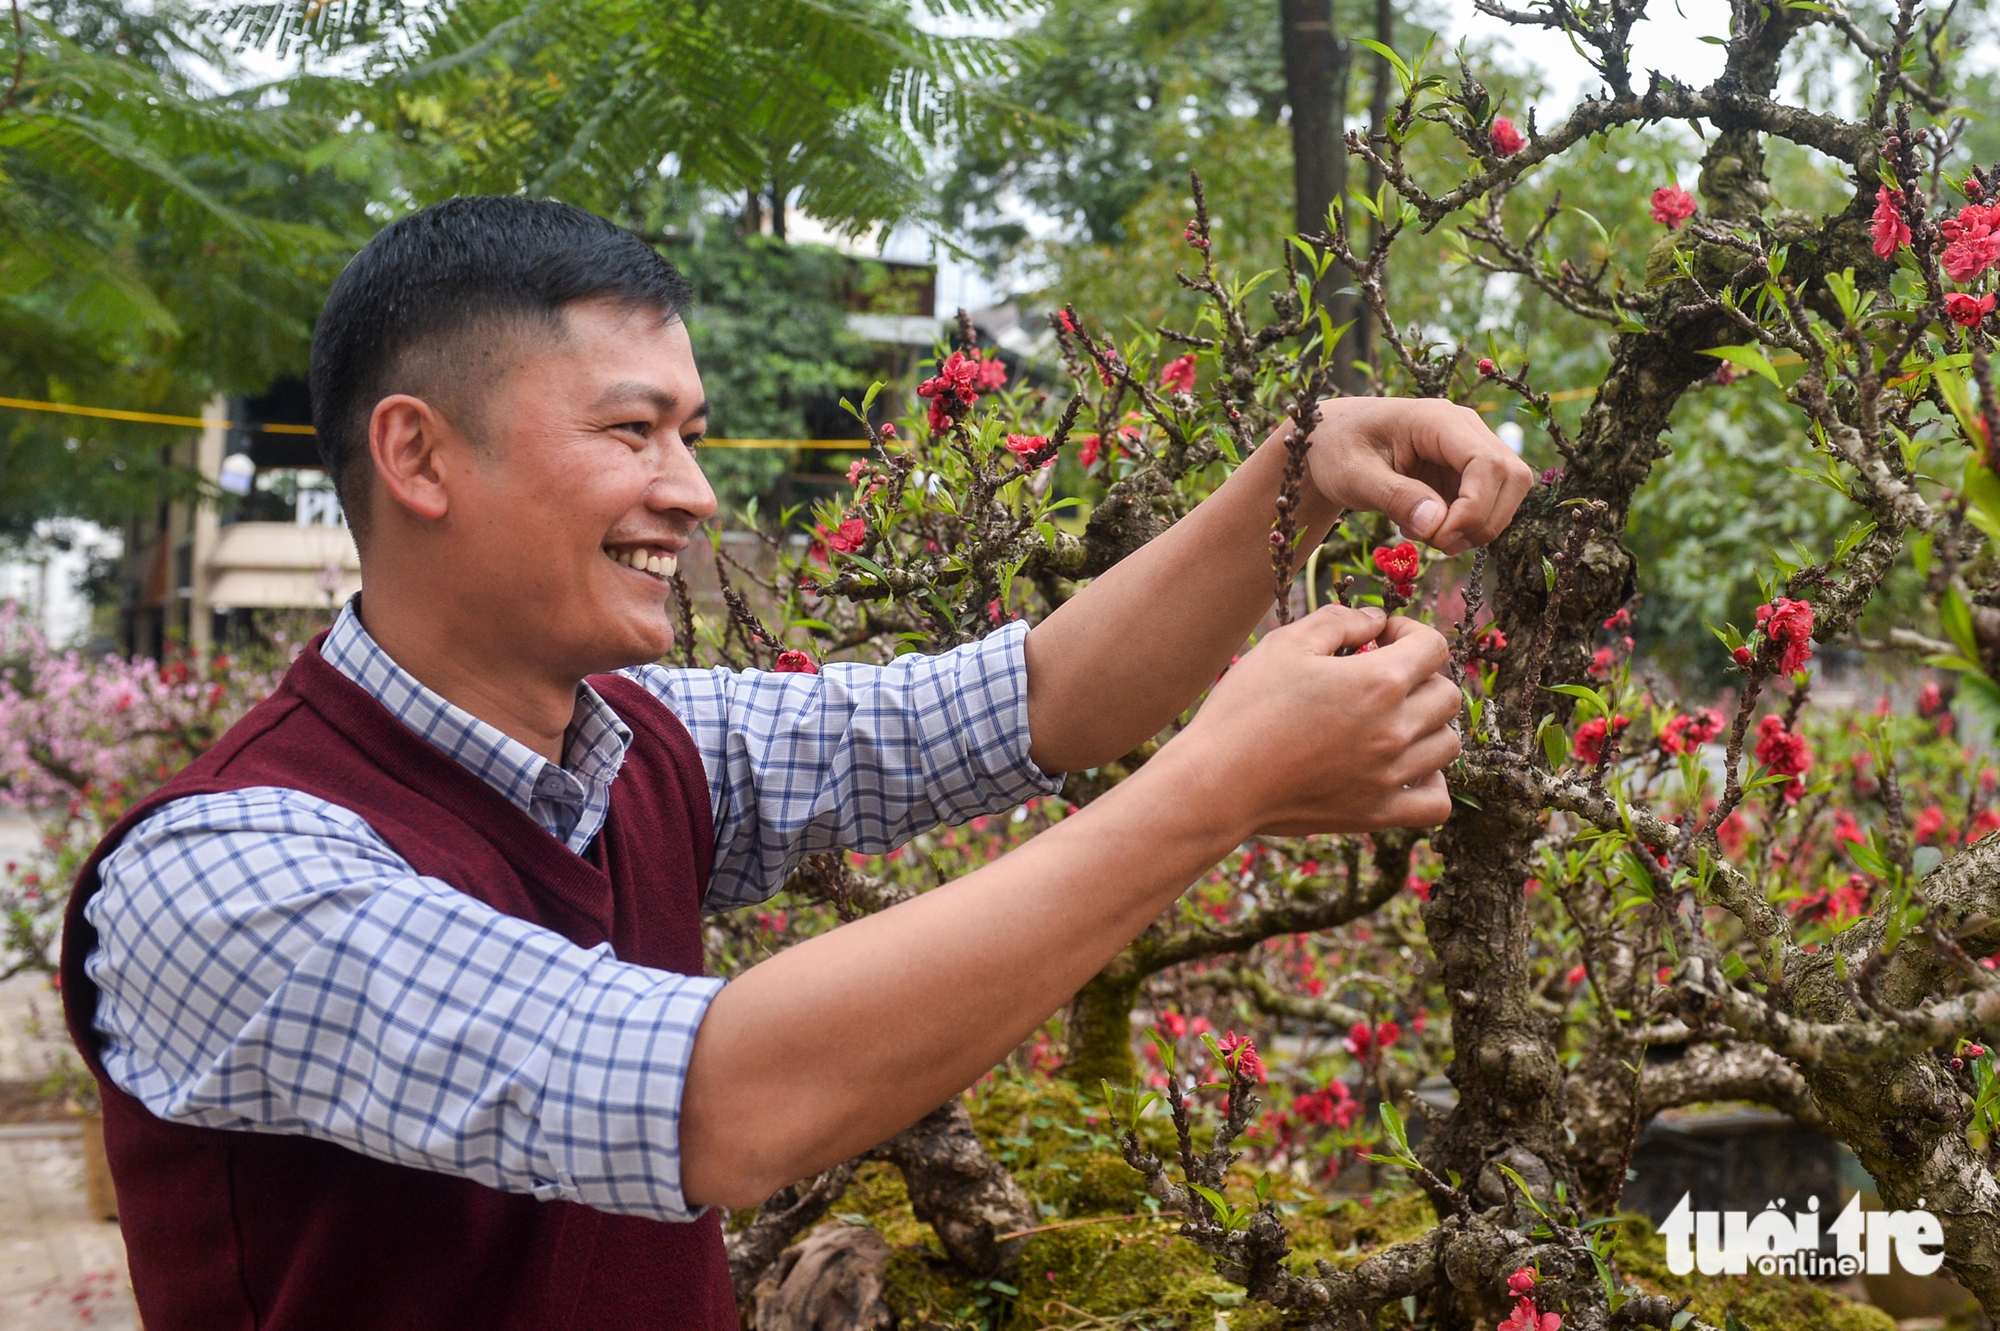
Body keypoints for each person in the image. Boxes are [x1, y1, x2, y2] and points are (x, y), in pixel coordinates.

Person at [60, 196, 1534, 1330]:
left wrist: (1297, 475)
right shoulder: (228, 876)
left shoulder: (634, 741)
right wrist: (1219, 790)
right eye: (632, 432)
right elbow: (716, 1106)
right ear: (419, 456)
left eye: (690, 433)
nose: (692, 492)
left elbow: (1033, 699)